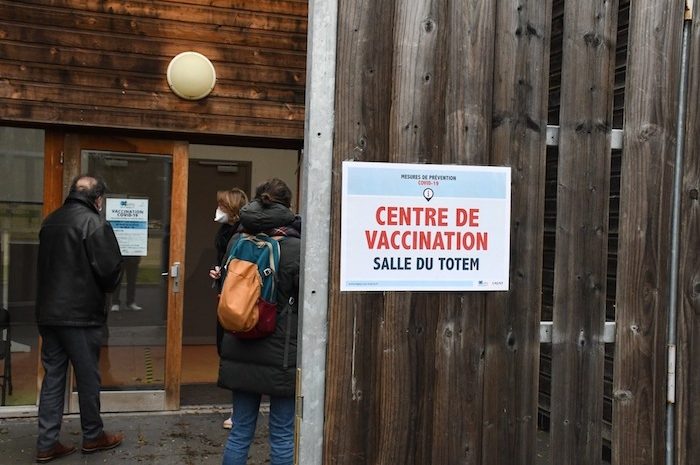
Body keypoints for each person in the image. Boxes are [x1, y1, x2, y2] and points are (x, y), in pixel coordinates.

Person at [34, 174, 125, 463]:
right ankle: (93, 436)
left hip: (49, 314)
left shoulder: (50, 221)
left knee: (53, 378)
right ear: (98, 199)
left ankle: (46, 443)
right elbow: (110, 271)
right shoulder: (95, 223)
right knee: (88, 378)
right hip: (82, 315)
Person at [215, 178, 301, 465]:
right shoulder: (295, 248)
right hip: (281, 354)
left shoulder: (237, 240)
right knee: (282, 434)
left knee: (240, 431)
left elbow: (225, 289)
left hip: (241, 343)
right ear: (289, 205)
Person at [209, 187, 248, 429]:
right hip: (225, 295)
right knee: (224, 348)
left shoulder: (244, 232)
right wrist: (218, 272)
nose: (218, 209)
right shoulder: (225, 231)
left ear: (232, 208)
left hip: (238, 299)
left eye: (222, 205)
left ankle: (240, 411)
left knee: (236, 353)